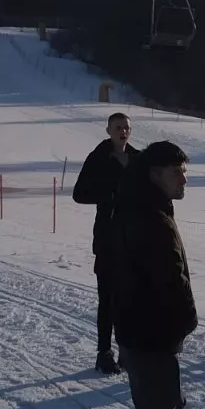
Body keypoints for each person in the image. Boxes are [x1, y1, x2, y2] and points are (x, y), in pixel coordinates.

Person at [105, 140, 205, 409]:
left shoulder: (134, 208)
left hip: (133, 332)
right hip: (152, 336)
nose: (184, 179)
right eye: (177, 171)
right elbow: (172, 282)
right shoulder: (151, 218)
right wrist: (185, 324)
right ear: (155, 173)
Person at [71, 112, 138, 374]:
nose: (123, 131)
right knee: (108, 298)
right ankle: (104, 352)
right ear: (108, 130)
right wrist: (109, 195)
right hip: (108, 239)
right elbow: (79, 194)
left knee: (130, 299)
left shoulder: (137, 159)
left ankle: (126, 350)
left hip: (134, 239)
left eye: (127, 128)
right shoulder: (98, 158)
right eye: (119, 127)